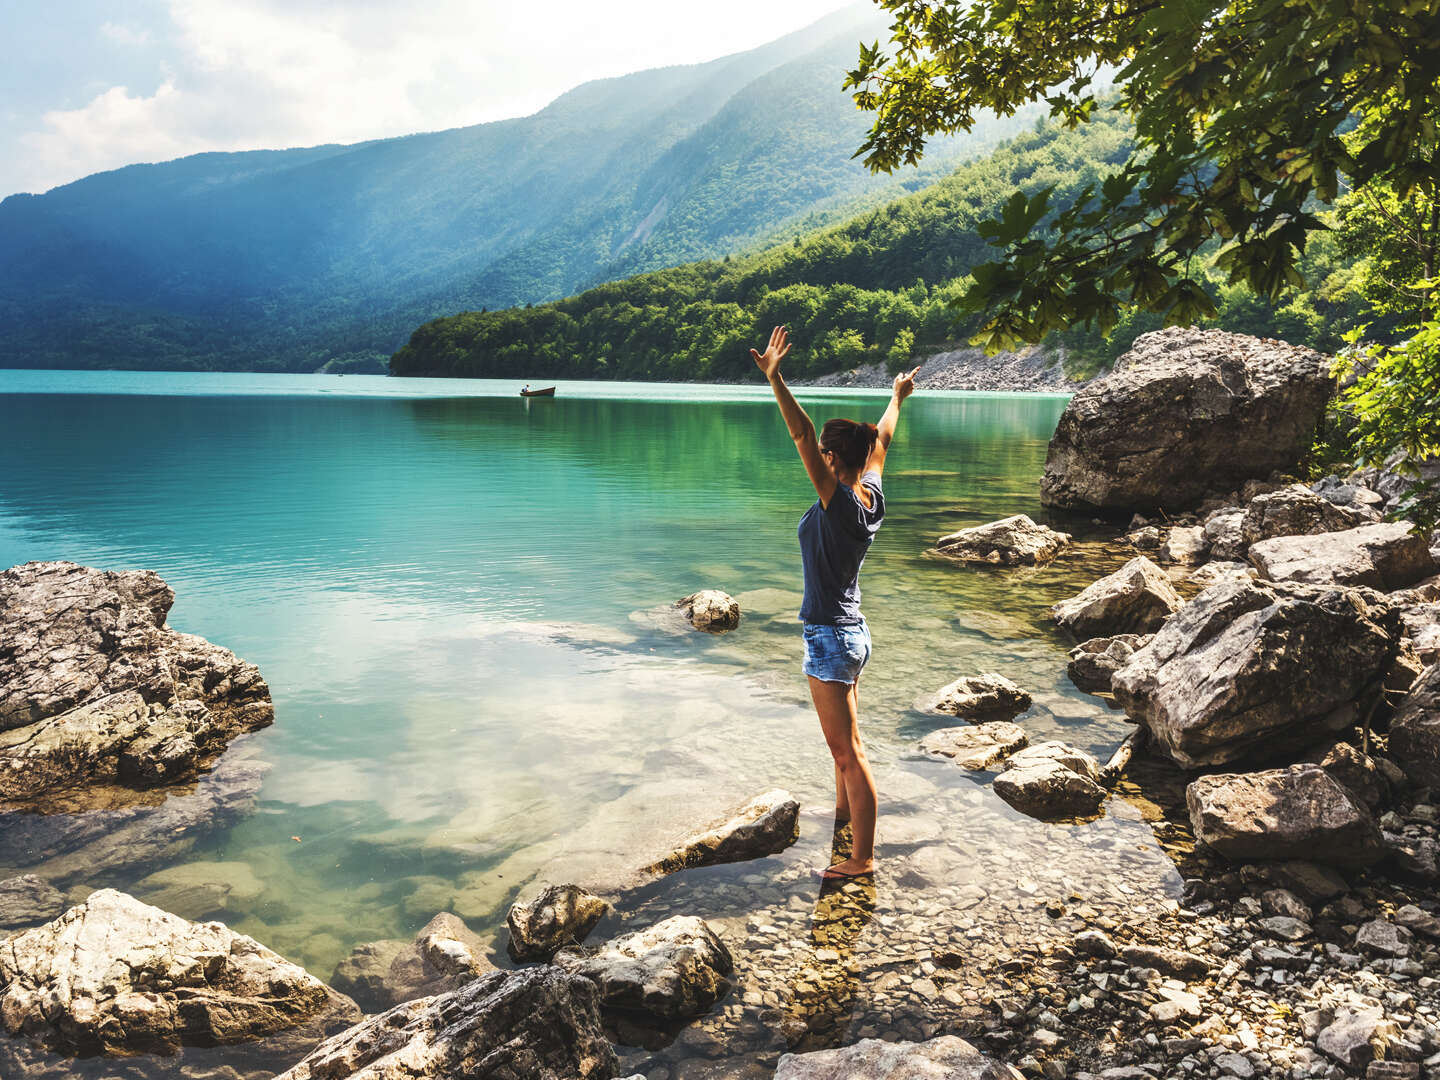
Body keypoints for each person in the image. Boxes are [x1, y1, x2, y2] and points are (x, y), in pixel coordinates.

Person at [750, 325, 919, 881]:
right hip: (851, 631)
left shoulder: (841, 503)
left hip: (831, 636)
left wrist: (777, 380)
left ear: (832, 459)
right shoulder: (871, 495)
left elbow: (799, 434)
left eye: (823, 451)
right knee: (847, 744)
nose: (815, 453)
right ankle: (846, 818)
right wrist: (896, 398)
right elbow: (883, 440)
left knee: (849, 753)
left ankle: (862, 859)